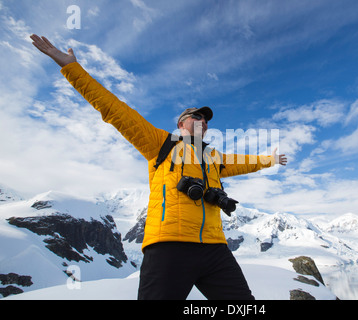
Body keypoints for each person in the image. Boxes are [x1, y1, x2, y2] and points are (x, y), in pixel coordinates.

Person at [30, 34, 287, 300]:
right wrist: (72, 68)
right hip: (169, 246)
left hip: (215, 248)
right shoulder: (160, 144)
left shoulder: (213, 157)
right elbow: (114, 110)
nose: (203, 121)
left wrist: (269, 159)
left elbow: (242, 161)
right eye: (196, 117)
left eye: (206, 119)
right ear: (181, 124)